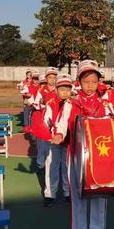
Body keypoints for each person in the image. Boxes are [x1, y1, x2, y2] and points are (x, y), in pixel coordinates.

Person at [52, 60, 114, 229]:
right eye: (86, 81)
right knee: (78, 201)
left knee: (99, 199)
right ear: (79, 82)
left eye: (94, 81)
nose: (90, 85)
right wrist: (59, 134)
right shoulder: (71, 103)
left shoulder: (105, 104)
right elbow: (61, 124)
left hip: (100, 161)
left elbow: (113, 127)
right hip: (77, 158)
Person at [41, 74, 72, 207]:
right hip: (53, 141)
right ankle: (50, 194)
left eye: (67, 89)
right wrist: (51, 130)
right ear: (57, 90)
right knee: (52, 166)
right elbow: (46, 121)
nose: (65, 92)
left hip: (68, 141)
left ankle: (68, 193)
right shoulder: (51, 104)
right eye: (62, 89)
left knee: (67, 167)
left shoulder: (73, 103)